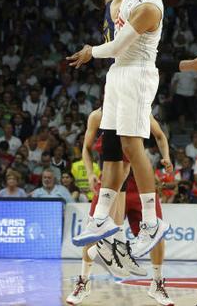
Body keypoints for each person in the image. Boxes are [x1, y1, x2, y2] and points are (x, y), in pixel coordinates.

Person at [67, 0, 192, 258]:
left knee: (134, 146)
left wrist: (91, 50)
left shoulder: (149, 7)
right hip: (118, 74)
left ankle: (153, 220)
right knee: (116, 146)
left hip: (136, 71)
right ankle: (103, 215)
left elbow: (118, 47)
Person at [67, 107, 174, 306]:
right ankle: (83, 281)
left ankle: (158, 283)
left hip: (139, 184)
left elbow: (159, 135)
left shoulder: (139, 110)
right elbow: (86, 149)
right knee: (93, 231)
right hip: (110, 184)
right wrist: (90, 172)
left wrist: (166, 157)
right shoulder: (97, 116)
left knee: (156, 233)